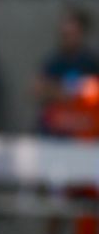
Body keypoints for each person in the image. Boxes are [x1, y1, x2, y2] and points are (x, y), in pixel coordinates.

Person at [35, 8, 99, 137]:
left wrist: (69, 91)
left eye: (72, 33)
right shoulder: (54, 61)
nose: (67, 37)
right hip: (56, 129)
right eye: (64, 34)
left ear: (82, 33)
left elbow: (93, 91)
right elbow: (37, 89)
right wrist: (71, 90)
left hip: (85, 130)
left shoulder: (92, 62)